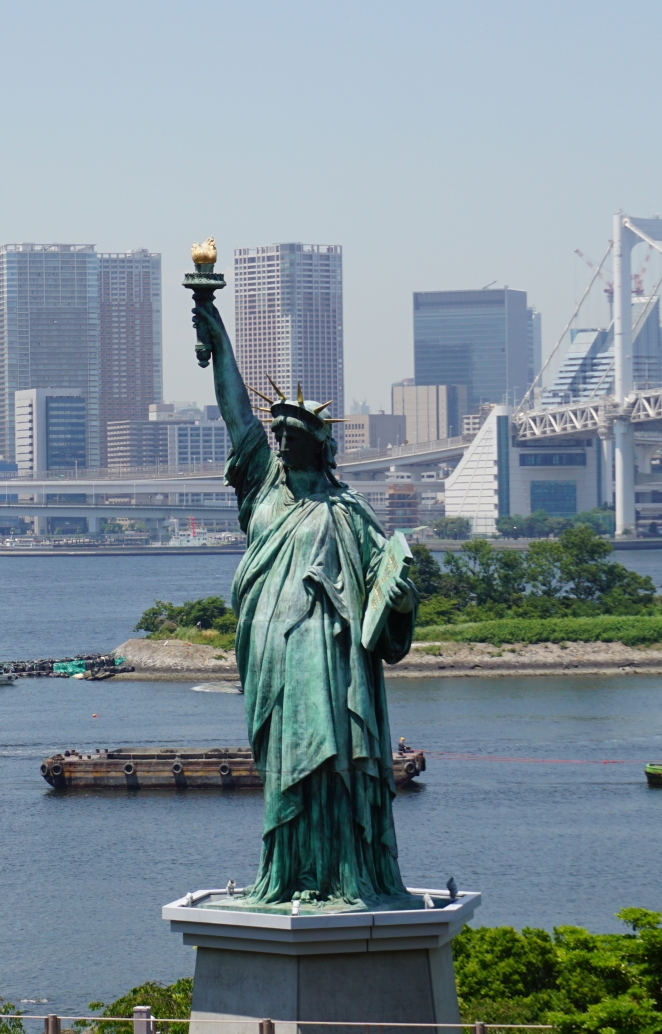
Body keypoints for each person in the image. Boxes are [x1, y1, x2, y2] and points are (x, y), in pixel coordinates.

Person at [192, 288, 418, 908]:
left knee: (333, 763)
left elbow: (388, 586)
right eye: (279, 437)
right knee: (285, 768)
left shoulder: (350, 511)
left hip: (332, 660)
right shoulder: (263, 493)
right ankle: (288, 874)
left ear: (320, 445)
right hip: (272, 660)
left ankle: (343, 875)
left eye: (293, 438)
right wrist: (220, 344)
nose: (282, 446)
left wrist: (399, 599)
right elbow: (238, 419)